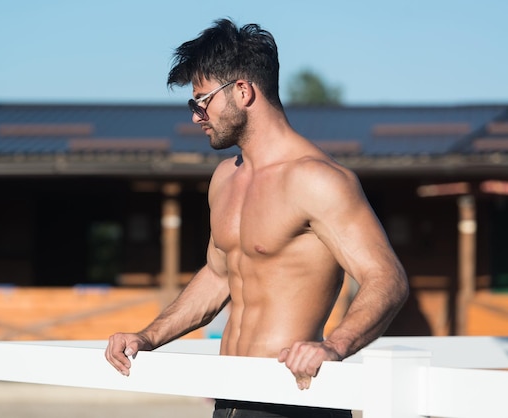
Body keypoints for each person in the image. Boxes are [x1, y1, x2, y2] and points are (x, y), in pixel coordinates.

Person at [105, 18, 409, 418]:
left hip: (292, 398)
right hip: (230, 397)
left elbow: (387, 278)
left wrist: (334, 346)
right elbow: (217, 276)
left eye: (202, 100)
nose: (196, 116)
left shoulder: (316, 179)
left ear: (243, 91)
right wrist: (148, 336)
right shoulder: (225, 177)